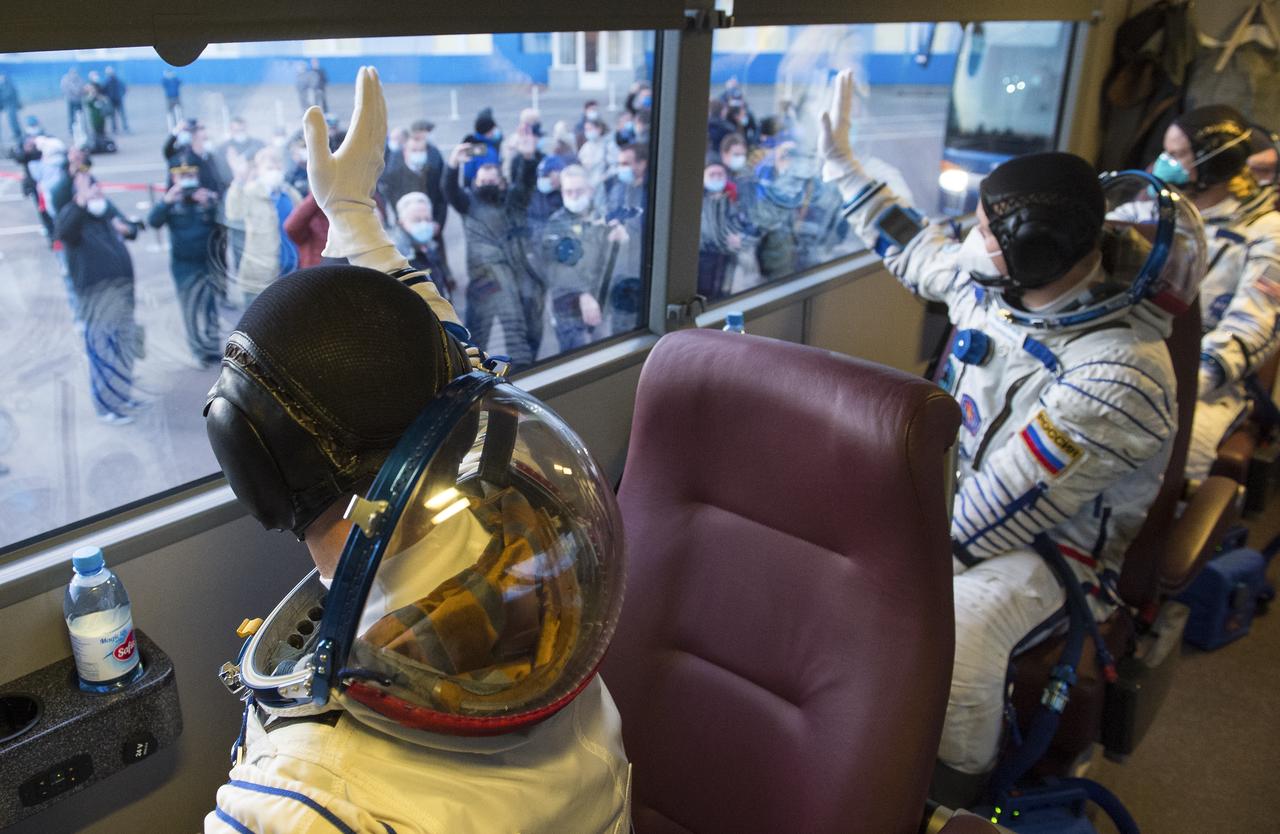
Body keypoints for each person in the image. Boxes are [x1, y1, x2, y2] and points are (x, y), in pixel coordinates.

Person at [202, 66, 631, 834]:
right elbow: (452, 374)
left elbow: (444, 370)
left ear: (250, 463)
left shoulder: (299, 805)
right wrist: (353, 218)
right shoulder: (530, 533)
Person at [818, 69, 1205, 784]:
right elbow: (914, 247)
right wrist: (843, 162)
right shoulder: (1006, 290)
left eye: (986, 230)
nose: (969, 239)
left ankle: (957, 791)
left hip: (1056, 555)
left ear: (1034, 252)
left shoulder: (1120, 374)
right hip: (956, 512)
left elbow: (988, 521)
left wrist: (861, 562)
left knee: (958, 634)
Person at [1149, 105, 1280, 479]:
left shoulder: (1265, 233)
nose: (1164, 163)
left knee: (1166, 454)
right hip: (1129, 361)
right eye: (1164, 152)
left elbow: (1251, 327)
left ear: (1215, 165)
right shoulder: (1153, 209)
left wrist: (1186, 383)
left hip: (1204, 386)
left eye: (1175, 156)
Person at [54, 174, 145, 424]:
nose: (97, 196)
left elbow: (132, 227)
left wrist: (128, 228)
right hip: (97, 301)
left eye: (97, 191)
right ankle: (108, 406)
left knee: (124, 349)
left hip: (123, 296)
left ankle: (122, 395)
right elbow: (63, 233)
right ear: (78, 195)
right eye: (91, 192)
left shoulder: (104, 213)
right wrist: (82, 201)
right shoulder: (72, 216)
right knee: (104, 353)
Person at [444, 146, 542, 368]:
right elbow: (449, 189)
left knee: (515, 329)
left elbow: (526, 184)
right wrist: (453, 163)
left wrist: (527, 156)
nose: (486, 185)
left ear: (502, 183)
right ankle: (474, 374)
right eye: (482, 181)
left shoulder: (512, 202)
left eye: (491, 180)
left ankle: (524, 371)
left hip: (508, 280)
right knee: (477, 332)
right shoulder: (468, 203)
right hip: (483, 279)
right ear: (475, 183)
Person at [543, 165, 629, 352]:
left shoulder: (601, 219)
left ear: (590, 190)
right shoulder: (556, 224)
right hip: (567, 306)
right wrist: (582, 293)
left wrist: (620, 240)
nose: (573, 196)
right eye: (568, 191)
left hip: (600, 301)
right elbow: (558, 267)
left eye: (578, 191)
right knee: (576, 358)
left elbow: (611, 262)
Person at [148, 164, 223, 367]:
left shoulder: (205, 197)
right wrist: (166, 202)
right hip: (184, 265)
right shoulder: (172, 202)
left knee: (209, 307)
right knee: (190, 308)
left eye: (191, 175)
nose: (188, 180)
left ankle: (212, 348)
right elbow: (153, 222)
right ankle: (198, 352)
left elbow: (222, 224)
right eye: (182, 176)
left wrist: (210, 203)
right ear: (174, 179)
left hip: (206, 262)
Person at [225, 146, 302, 306]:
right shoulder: (250, 193)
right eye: (269, 168)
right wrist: (238, 180)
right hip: (260, 272)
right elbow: (233, 212)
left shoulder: (289, 193)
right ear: (258, 170)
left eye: (277, 167)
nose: (274, 172)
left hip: (291, 267)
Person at [597, 143, 648, 333]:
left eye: (626, 163)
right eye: (620, 163)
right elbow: (611, 212)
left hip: (641, 272)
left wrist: (629, 232)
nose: (621, 168)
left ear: (641, 164)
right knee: (619, 329)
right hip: (619, 274)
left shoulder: (652, 192)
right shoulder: (619, 187)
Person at [391, 191, 453, 301]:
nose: (424, 224)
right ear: (401, 223)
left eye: (427, 219)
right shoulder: (398, 258)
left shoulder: (429, 246)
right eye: (417, 220)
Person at [698, 161, 746, 301]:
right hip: (703, 256)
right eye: (712, 174)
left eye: (720, 174)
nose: (716, 177)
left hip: (727, 256)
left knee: (724, 292)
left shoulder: (734, 201)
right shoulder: (698, 201)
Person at [461, 108, 503, 187]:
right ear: (489, 131)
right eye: (494, 129)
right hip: (482, 187)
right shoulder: (489, 152)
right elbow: (492, 176)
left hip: (469, 185)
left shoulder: (472, 144)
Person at [102, 66, 128, 134]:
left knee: (122, 115)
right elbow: (104, 91)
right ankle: (115, 129)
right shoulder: (107, 81)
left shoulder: (118, 80)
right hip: (112, 101)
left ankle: (125, 128)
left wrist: (121, 95)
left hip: (118, 100)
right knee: (113, 116)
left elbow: (124, 88)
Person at [60, 67, 84, 134]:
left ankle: (81, 128)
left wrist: (79, 92)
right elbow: (64, 89)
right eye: (73, 73)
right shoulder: (65, 80)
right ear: (70, 73)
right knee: (71, 116)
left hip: (78, 100)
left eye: (75, 73)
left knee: (80, 115)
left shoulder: (79, 79)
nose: (74, 74)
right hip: (71, 100)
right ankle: (71, 130)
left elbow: (82, 88)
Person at [0, 73, 21, 145]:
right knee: (11, 121)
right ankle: (16, 133)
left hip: (11, 105)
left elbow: (13, 94)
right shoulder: (1, 86)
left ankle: (17, 133)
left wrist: (18, 104)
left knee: (13, 120)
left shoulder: (9, 85)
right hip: (6, 105)